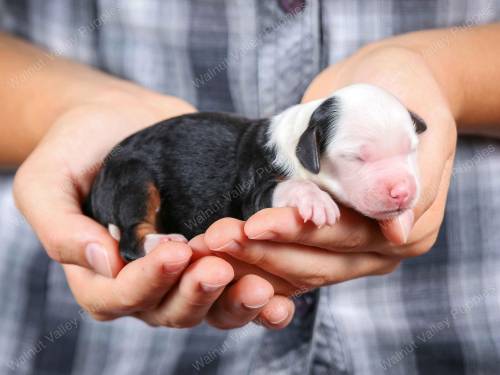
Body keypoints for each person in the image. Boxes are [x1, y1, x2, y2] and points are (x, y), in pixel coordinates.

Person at [1, 0, 499, 373]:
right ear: (309, 148)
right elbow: (262, 196)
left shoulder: (319, 142)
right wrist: (63, 107)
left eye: (405, 151)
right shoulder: (276, 160)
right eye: (360, 157)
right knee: (135, 183)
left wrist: (444, 73)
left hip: (459, 332)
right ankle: (138, 238)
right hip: (96, 348)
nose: (398, 185)